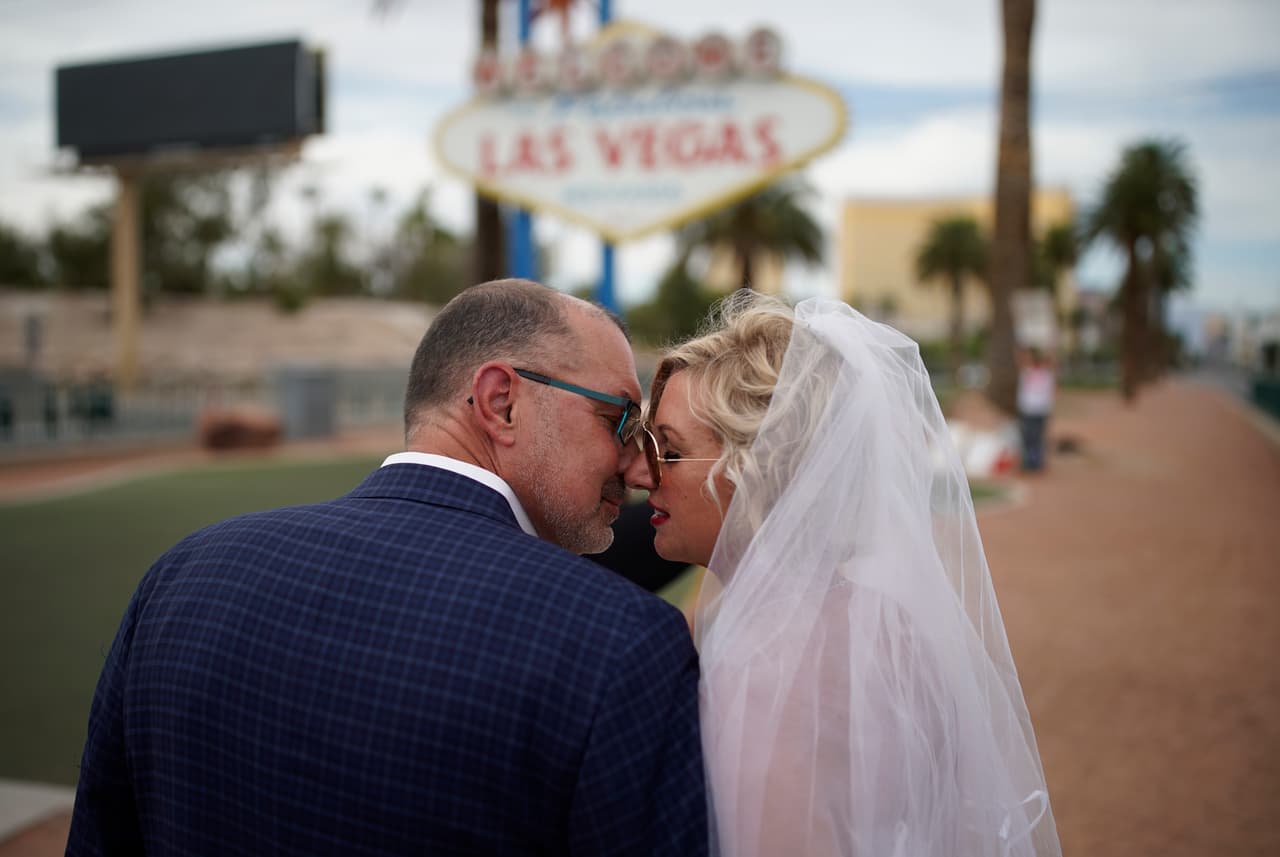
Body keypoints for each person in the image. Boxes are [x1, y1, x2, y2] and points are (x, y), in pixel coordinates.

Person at [67, 279, 708, 856]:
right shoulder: (622, 643)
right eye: (620, 419)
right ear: (500, 401)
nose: (638, 466)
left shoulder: (180, 576)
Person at [624, 292, 1061, 856]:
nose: (639, 471)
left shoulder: (767, 663)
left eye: (670, 450)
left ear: (760, 467)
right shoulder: (892, 624)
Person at [1017, 346, 1056, 472]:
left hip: (1039, 410)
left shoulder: (1045, 375)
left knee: (1037, 437)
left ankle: (1036, 462)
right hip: (1030, 410)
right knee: (1029, 437)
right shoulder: (1027, 373)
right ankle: (1030, 461)